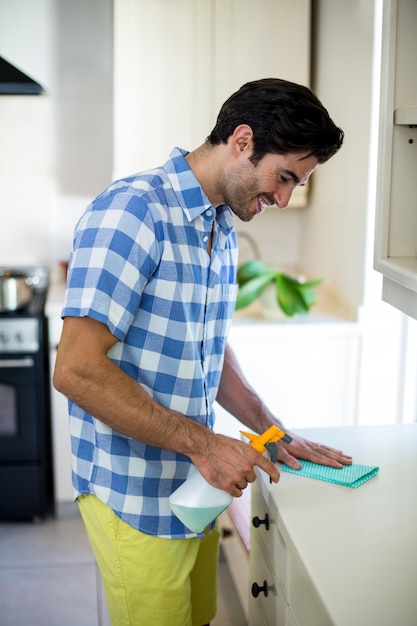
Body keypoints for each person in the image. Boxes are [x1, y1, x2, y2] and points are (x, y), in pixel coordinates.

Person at [53, 77, 352, 626]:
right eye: (284, 177)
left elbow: (202, 344)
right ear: (241, 140)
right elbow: (76, 370)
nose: (284, 199)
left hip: (193, 486)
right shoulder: (133, 211)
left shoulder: (220, 222)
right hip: (135, 493)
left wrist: (272, 428)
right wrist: (206, 445)